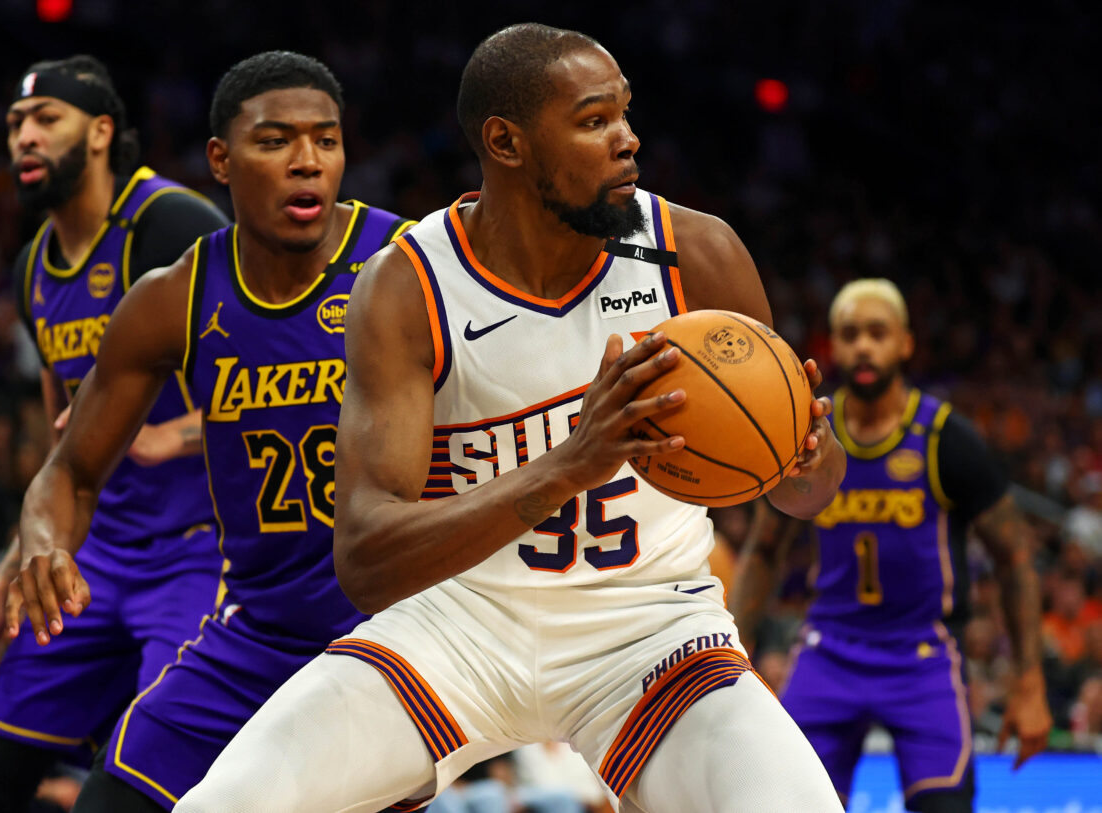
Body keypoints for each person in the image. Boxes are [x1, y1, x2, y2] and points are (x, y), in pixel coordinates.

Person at [177, 24, 847, 813]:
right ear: (506, 142)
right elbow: (364, 560)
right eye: (594, 120)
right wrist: (567, 466)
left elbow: (803, 496)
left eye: (625, 113)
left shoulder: (695, 252)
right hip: (456, 627)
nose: (628, 139)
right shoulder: (407, 284)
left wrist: (807, 457)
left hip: (651, 627)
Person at [2, 51, 414, 812]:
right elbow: (70, 471)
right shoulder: (174, 297)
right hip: (256, 633)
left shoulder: (410, 261)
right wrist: (45, 540)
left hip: (392, 636)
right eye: (276, 141)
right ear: (220, 160)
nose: (306, 161)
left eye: (325, 140)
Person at [0, 55, 229, 812]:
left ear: (100, 132)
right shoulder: (33, 267)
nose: (24, 137)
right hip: (93, 556)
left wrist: (168, 435)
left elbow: (283, 378)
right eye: (15, 124)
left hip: (201, 552)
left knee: (136, 792)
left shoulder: (171, 223)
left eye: (45, 119)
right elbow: (59, 460)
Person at [730, 278, 1052, 811]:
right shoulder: (807, 437)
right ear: (832, 346)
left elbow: (1015, 556)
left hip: (922, 653)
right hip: (830, 648)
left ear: (905, 343)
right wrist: (732, 664)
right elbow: (762, 550)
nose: (863, 346)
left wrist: (1030, 682)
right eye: (850, 334)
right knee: (787, 801)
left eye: (877, 333)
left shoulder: (946, 438)